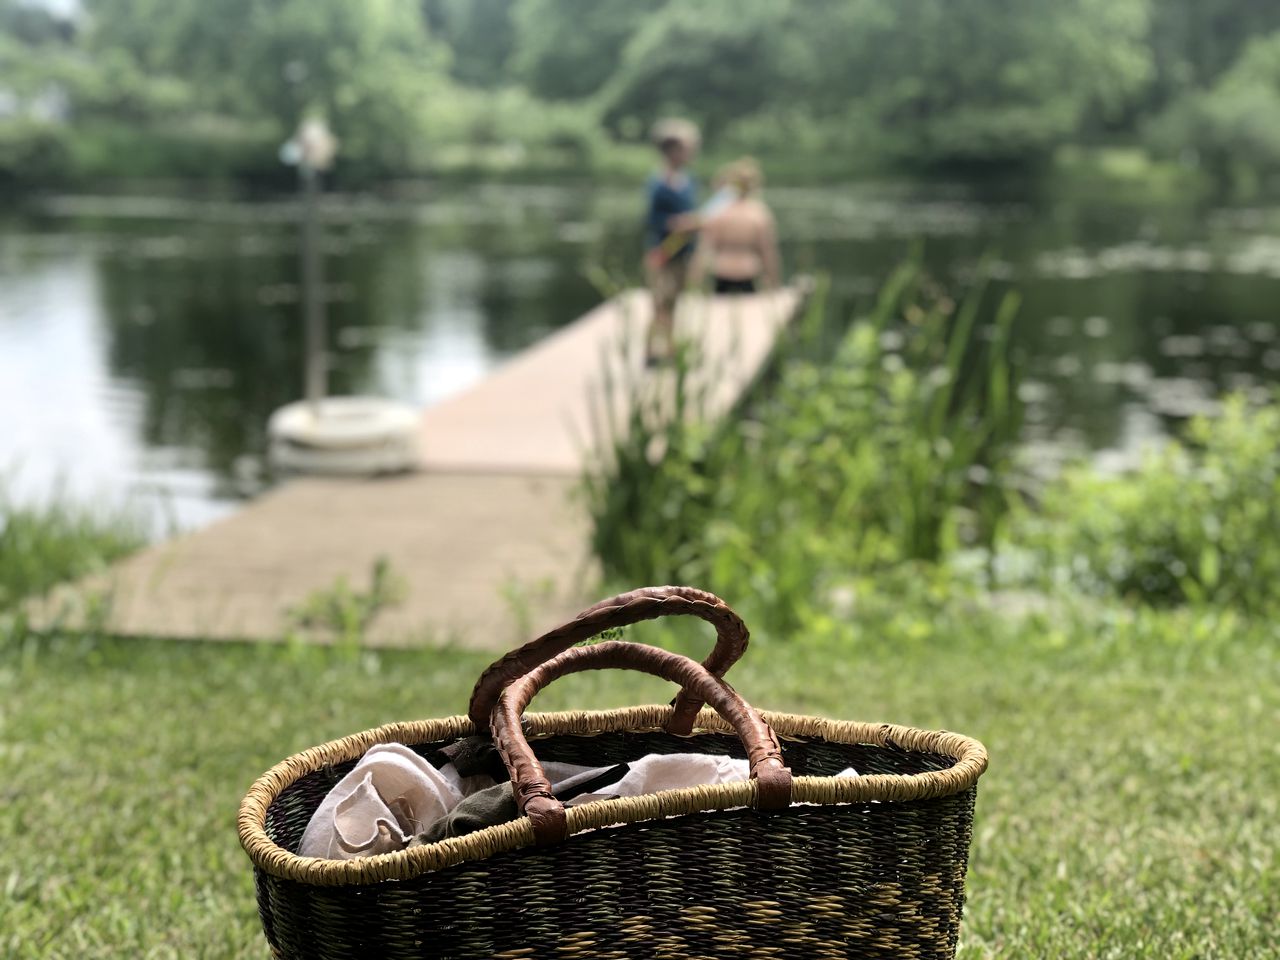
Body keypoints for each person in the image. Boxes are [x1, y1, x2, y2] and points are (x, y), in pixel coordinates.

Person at [642, 119, 701, 365]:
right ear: (672, 151)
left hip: (683, 251)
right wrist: (678, 223)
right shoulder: (660, 182)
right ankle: (650, 351)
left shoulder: (686, 179)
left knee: (674, 300)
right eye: (688, 148)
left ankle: (669, 348)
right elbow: (652, 219)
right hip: (663, 251)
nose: (692, 153)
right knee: (660, 302)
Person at [690, 157, 780, 295]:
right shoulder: (759, 214)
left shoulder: (718, 212)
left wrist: (693, 283)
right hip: (748, 274)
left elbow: (704, 251)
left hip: (721, 274)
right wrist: (774, 284)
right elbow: (768, 252)